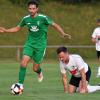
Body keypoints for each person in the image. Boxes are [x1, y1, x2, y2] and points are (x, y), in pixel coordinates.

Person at [0, 0, 71, 90]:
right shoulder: (26, 19)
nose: (31, 10)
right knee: (23, 63)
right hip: (29, 44)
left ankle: (39, 72)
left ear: (37, 9)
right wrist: (6, 30)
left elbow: (55, 25)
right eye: (30, 8)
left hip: (40, 46)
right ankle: (20, 84)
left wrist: (63, 33)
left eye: (33, 8)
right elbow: (17, 28)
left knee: (35, 68)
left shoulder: (43, 18)